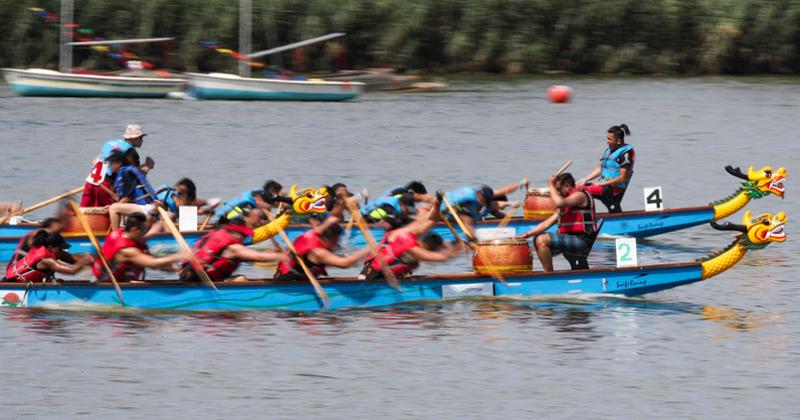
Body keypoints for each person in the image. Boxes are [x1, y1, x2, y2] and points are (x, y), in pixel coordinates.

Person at [359, 196, 461, 280]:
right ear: (429, 248)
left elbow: (432, 220)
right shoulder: (413, 249)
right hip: (374, 278)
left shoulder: (407, 232)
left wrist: (438, 204)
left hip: (366, 272)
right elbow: (443, 258)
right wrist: (458, 248)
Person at [180, 208, 288, 282]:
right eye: (243, 234)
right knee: (241, 279)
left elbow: (252, 255)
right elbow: (259, 257)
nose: (244, 237)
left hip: (192, 276)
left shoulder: (219, 235)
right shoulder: (234, 248)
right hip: (199, 281)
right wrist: (284, 256)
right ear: (233, 232)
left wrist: (270, 253)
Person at [517, 173, 597, 272]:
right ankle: (549, 273)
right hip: (570, 240)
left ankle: (549, 275)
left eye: (558, 189)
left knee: (541, 239)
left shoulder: (580, 195)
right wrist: (526, 235)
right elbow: (546, 223)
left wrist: (550, 185)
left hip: (582, 241)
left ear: (567, 186)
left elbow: (559, 203)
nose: (557, 193)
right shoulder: (566, 204)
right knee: (536, 239)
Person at [93, 213, 187, 282]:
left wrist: (178, 268)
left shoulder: (122, 232)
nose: (145, 232)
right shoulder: (127, 251)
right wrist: (179, 256)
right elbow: (153, 263)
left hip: (122, 279)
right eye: (143, 229)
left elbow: (150, 233)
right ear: (134, 229)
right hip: (105, 284)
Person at [80, 124, 154, 207]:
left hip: (90, 183)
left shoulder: (110, 143)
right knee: (110, 211)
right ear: (133, 138)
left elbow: (93, 162)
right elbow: (135, 177)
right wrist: (148, 166)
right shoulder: (131, 152)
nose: (142, 140)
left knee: (83, 211)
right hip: (106, 186)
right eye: (140, 138)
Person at [274, 218, 372, 281]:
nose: (337, 245)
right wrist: (368, 249)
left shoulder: (312, 234)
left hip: (285, 275)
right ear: (326, 239)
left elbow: (327, 222)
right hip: (290, 282)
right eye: (335, 241)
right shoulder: (318, 252)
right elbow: (344, 264)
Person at [440, 179, 529, 236]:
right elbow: (450, 202)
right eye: (483, 200)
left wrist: (521, 183)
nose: (484, 203)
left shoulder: (487, 199)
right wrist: (510, 204)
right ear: (479, 195)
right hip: (447, 216)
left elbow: (505, 190)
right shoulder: (468, 199)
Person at [577, 124, 634, 213]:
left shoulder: (626, 153)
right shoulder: (608, 151)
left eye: (609, 139)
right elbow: (600, 168)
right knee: (578, 187)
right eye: (607, 138)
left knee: (582, 191)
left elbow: (623, 178)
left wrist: (602, 183)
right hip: (604, 186)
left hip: (614, 189)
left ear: (618, 140)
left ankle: (588, 217)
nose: (607, 141)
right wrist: (585, 179)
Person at [5, 231, 93, 282]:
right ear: (51, 247)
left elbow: (72, 259)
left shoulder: (53, 250)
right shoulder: (46, 260)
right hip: (14, 284)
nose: (63, 251)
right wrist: (86, 260)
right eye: (60, 248)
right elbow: (71, 271)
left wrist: (92, 256)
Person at [108, 150, 161, 229]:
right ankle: (121, 230)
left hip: (147, 207)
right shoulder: (128, 171)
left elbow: (127, 198)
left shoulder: (127, 173)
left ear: (118, 164)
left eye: (111, 164)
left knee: (113, 208)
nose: (110, 167)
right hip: (146, 207)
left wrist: (113, 206)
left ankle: (115, 234)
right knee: (115, 207)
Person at [215, 180, 290, 220]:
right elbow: (260, 204)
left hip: (226, 214)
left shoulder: (262, 194)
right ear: (273, 192)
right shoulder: (261, 194)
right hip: (229, 215)